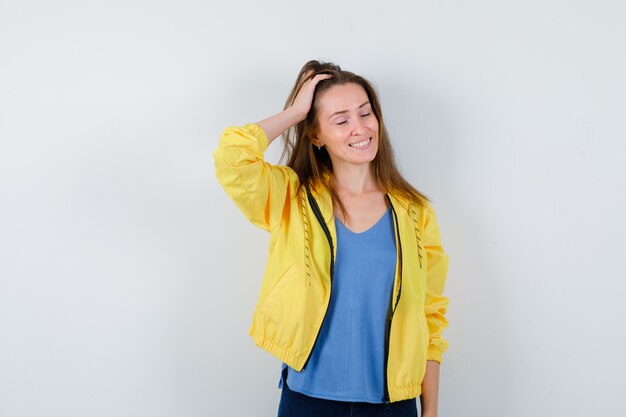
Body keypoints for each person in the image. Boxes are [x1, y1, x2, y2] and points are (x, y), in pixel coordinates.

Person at [212, 60, 450, 417]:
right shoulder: (291, 199)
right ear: (316, 135)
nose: (360, 128)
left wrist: (430, 411)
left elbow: (430, 319)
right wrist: (295, 112)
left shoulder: (416, 213)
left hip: (393, 406)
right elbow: (232, 157)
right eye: (341, 120)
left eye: (365, 113)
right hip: (307, 402)